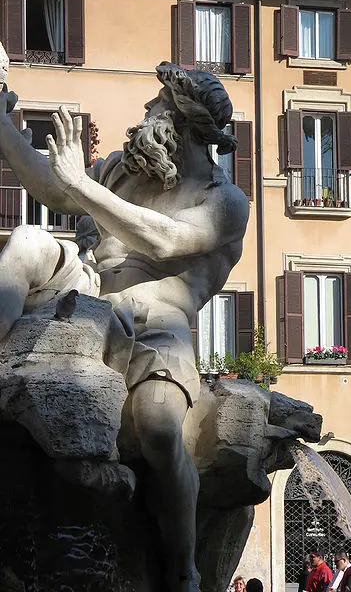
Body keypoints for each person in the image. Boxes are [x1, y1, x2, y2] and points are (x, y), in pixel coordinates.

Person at [0, 61, 249, 592]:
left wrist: (80, 186)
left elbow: (163, 241)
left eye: (155, 107)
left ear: (181, 123)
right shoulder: (123, 170)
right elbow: (54, 189)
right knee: (25, 240)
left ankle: (182, 564)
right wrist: (2, 121)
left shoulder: (224, 201)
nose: (143, 116)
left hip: (159, 324)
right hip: (87, 286)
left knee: (160, 426)